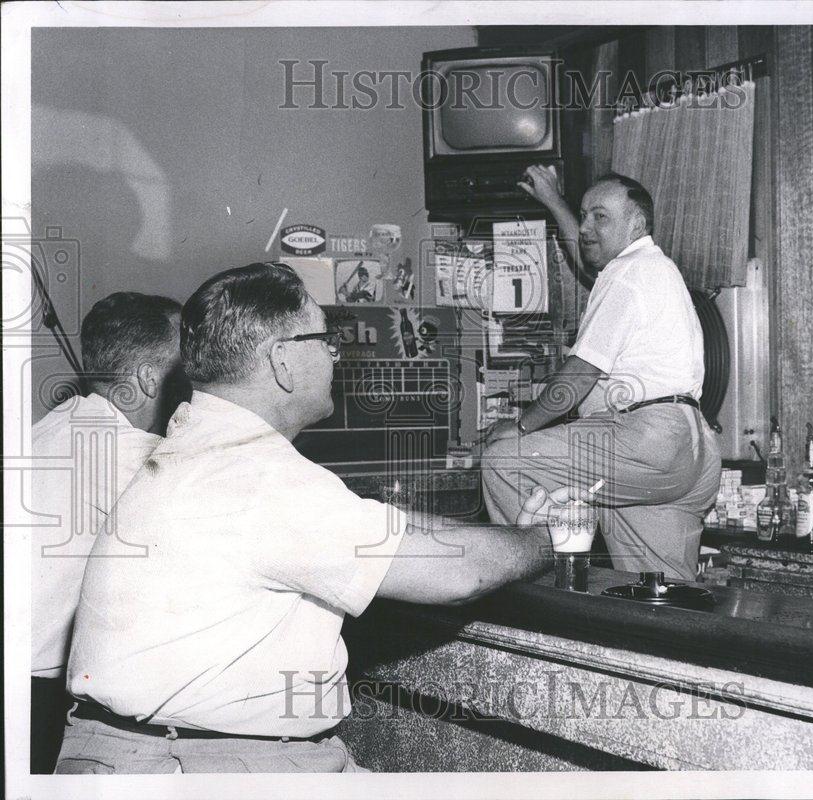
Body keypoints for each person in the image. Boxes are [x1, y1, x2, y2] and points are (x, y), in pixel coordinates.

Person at [56, 262, 567, 774]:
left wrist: (509, 533)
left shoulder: (204, 449)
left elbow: (384, 525)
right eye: (325, 339)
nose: (334, 354)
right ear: (281, 360)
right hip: (200, 763)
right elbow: (459, 574)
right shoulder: (260, 477)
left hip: (141, 753)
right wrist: (547, 540)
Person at [481, 167, 722, 580]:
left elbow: (581, 372)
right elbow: (590, 259)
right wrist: (555, 201)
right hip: (691, 451)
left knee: (505, 461)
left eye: (601, 216)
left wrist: (521, 427)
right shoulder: (652, 269)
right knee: (657, 595)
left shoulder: (628, 275)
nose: (587, 226)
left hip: (643, 438)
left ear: (636, 224)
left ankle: (537, 602)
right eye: (584, 215)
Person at [31, 292, 185, 773]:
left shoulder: (59, 424)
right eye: (191, 358)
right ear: (146, 377)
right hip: (35, 688)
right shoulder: (129, 453)